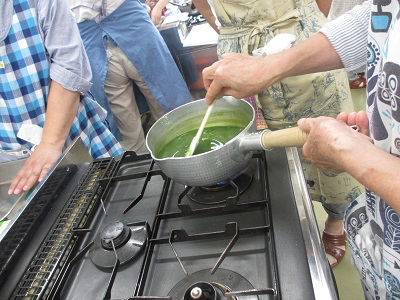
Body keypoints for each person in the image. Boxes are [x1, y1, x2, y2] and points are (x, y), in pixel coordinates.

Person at [202, 0, 400, 296]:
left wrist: (353, 155)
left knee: (335, 181)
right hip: (382, 225)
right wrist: (269, 66)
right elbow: (381, 18)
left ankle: (336, 221)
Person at [1, 0, 123, 196]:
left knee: (113, 198)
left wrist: (50, 143)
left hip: (75, 139)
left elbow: (69, 67)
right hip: (12, 164)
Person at [68, 0, 192, 153]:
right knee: (169, 109)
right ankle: (186, 162)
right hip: (120, 29)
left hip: (96, 36)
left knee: (131, 129)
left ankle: (178, 162)